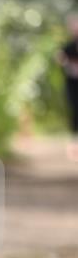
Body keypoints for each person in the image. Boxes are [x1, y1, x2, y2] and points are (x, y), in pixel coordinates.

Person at [56, 14, 78, 160]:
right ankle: (74, 145)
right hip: (72, 86)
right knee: (75, 111)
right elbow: (60, 59)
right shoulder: (67, 47)